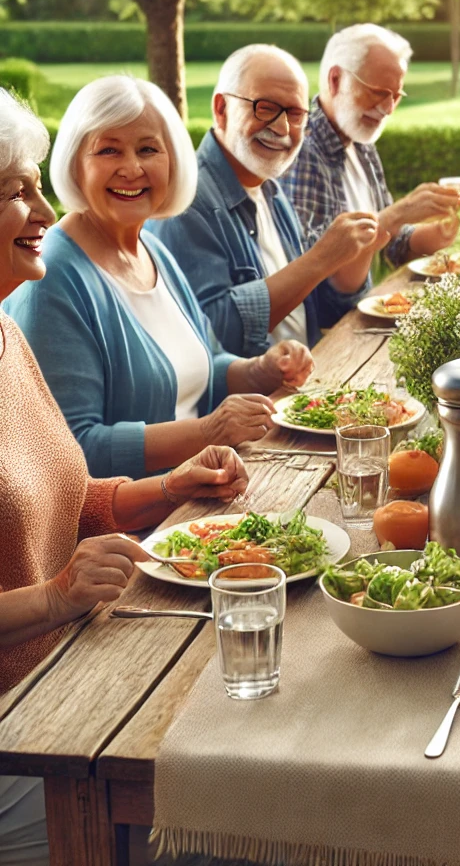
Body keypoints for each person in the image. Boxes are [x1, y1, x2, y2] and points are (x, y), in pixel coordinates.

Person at [0, 87, 248, 863]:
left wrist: (172, 488)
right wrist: (54, 596)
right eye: (15, 191)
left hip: (72, 665)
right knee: (239, 825)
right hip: (24, 726)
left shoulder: (6, 330)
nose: (43, 211)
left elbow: (66, 494)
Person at [2, 76, 316, 479]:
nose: (132, 168)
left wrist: (261, 369)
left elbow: (204, 363)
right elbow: (73, 448)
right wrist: (209, 431)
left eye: (148, 149)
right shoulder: (52, 275)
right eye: (109, 150)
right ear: (75, 165)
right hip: (136, 524)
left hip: (205, 494)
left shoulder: (152, 250)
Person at [148, 44, 390, 357]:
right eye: (265, 107)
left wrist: (353, 260)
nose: (282, 128)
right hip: (250, 403)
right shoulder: (184, 202)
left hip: (311, 390)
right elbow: (213, 335)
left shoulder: (271, 191)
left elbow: (312, 313)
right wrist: (320, 260)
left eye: (295, 113)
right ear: (221, 109)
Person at [280, 23, 460, 306]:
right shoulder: (305, 153)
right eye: (378, 92)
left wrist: (436, 234)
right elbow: (318, 284)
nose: (388, 108)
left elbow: (391, 245)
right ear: (335, 80)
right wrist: (397, 213)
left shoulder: (361, 141)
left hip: (376, 311)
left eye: (396, 96)